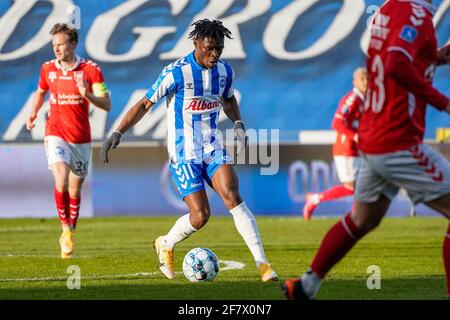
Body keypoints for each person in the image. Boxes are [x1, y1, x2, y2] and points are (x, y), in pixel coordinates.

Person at [283, 0, 450, 299]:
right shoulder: (415, 13)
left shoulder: (387, 10)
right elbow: (395, 65)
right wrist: (444, 102)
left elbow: (389, 63)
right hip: (397, 139)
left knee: (362, 219)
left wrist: (432, 59)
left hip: (375, 136)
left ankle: (307, 285)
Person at [101, 19, 278, 282]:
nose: (215, 54)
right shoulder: (176, 73)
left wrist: (238, 122)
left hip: (213, 148)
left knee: (233, 196)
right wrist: (118, 131)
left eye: (219, 48)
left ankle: (263, 266)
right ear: (196, 44)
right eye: (210, 48)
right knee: (201, 215)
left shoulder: (225, 72)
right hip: (184, 153)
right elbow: (144, 104)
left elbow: (228, 100)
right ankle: (167, 243)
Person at [26, 23, 111, 259]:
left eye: (61, 44)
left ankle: (70, 229)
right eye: (54, 45)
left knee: (75, 188)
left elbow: (107, 104)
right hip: (55, 133)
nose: (56, 49)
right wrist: (33, 113)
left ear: (73, 44)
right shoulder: (47, 69)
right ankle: (65, 228)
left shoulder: (91, 70)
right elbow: (41, 91)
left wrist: (88, 95)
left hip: (81, 139)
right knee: (61, 180)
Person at [303, 68, 368, 221]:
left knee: (361, 186)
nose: (366, 82)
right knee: (352, 187)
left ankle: (357, 219)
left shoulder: (365, 100)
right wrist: (356, 136)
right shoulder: (352, 99)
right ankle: (315, 199)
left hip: (358, 150)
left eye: (368, 79)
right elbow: (337, 123)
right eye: (362, 79)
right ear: (355, 82)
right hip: (346, 149)